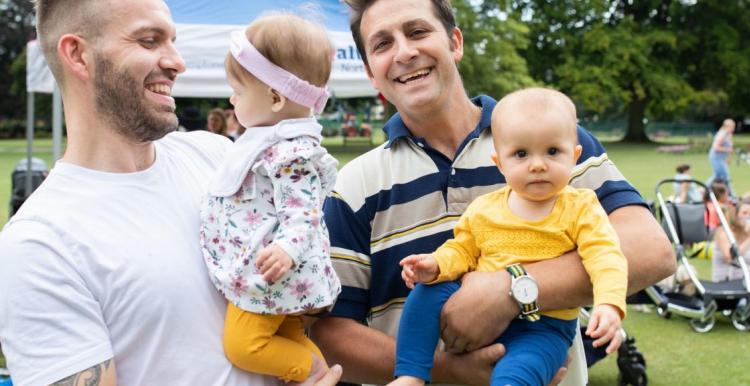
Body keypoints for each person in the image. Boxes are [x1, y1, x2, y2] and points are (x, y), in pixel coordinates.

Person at [310, 0, 674, 385]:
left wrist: (511, 288)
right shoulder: (353, 185)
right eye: (382, 44)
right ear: (370, 72)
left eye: (417, 32)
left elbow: (652, 250)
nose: (404, 52)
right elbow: (329, 331)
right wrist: (446, 372)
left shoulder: (548, 140)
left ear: (455, 42)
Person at [0, 1, 343, 385]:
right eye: (149, 41)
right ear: (78, 55)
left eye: (174, 41)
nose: (178, 62)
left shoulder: (224, 160)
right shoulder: (37, 244)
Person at [390, 88, 627, 386]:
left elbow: (605, 255)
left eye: (553, 151)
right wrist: (435, 264)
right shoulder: (484, 209)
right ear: (500, 162)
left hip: (544, 328)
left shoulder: (581, 207)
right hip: (473, 309)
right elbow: (462, 251)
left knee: (517, 375)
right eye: (521, 154)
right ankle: (411, 374)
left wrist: (609, 303)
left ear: (575, 155)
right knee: (426, 291)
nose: (538, 164)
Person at [199, 14, 341, 384]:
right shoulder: (268, 143)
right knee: (289, 336)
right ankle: (314, 375)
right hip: (273, 275)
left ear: (276, 97)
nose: (232, 99)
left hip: (270, 273)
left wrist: (287, 251)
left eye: (239, 91)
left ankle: (311, 371)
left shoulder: (291, 152)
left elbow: (303, 212)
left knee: (244, 345)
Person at [712, 198, 750, 282]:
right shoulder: (724, 233)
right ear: (736, 216)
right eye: (744, 213)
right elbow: (730, 257)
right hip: (727, 284)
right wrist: (749, 238)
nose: (748, 216)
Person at [707, 119, 736, 197]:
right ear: (727, 126)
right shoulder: (722, 134)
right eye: (732, 126)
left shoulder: (728, 134)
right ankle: (731, 195)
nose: (733, 128)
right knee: (724, 176)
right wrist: (728, 150)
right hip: (716, 157)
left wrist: (729, 158)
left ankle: (706, 189)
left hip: (721, 158)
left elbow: (730, 147)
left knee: (718, 175)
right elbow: (716, 147)